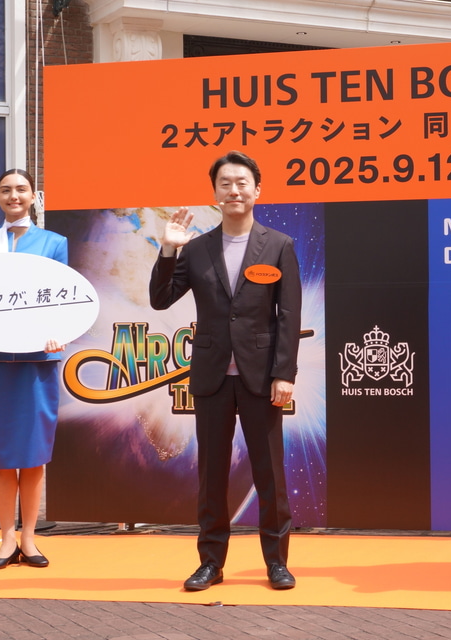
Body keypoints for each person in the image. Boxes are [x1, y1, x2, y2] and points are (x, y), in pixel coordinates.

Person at [149, 151, 302, 591]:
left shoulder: (279, 245)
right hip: (212, 376)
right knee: (212, 475)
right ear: (215, 192)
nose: (234, 190)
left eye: (241, 183)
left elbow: (289, 315)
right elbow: (160, 298)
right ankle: (211, 563)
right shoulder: (197, 248)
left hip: (261, 378)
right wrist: (168, 249)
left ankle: (277, 563)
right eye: (225, 183)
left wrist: (284, 373)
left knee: (269, 474)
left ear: (257, 190)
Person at [0, 169, 69, 571]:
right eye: (6, 190)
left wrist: (59, 333)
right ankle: (7, 539)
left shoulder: (55, 243)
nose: (14, 196)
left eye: (21, 189)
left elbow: (63, 300)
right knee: (3, 454)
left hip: (37, 360)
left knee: (33, 453)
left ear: (34, 196)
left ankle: (30, 538)